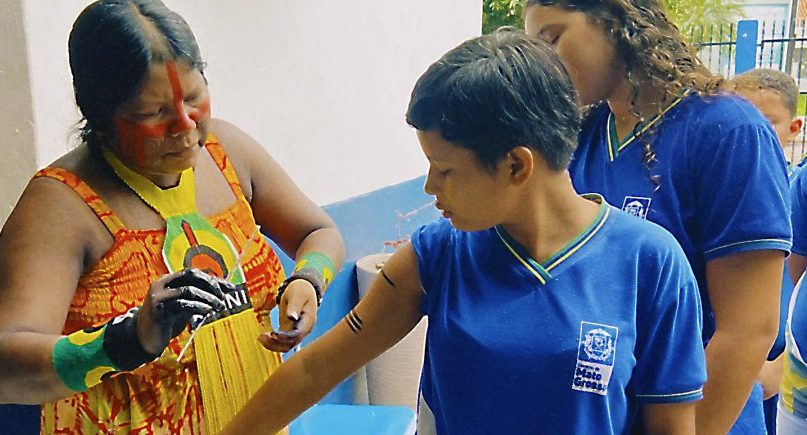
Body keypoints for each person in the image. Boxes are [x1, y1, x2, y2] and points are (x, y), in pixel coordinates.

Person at [222, 29, 706, 435]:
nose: (431, 187)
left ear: (516, 165)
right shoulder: (440, 254)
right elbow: (315, 368)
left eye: (445, 170)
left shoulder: (650, 264)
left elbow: (670, 425)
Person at [0, 1, 344, 434]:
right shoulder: (61, 205)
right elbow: (6, 365)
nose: (185, 126)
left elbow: (318, 232)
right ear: (100, 117)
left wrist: (308, 279)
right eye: (153, 114)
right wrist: (129, 338)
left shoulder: (227, 152)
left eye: (195, 98)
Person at [523, 2, 792, 434]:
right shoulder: (580, 139)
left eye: (553, 39)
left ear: (616, 21)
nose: (545, 64)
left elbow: (748, 329)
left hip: (701, 416)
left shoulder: (725, 129)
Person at [726, 68, 804, 434]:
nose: (752, 133)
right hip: (734, 362)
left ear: (795, 128)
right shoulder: (720, 193)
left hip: (786, 365)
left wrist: (782, 366)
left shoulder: (796, 188)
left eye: (767, 122)